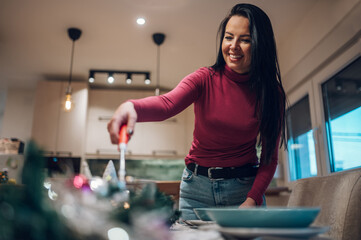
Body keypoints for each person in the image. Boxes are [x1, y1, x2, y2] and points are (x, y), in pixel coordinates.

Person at [107, 3, 286, 220]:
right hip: (196, 191)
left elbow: (269, 158)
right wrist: (131, 106)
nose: (233, 46)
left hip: (244, 191)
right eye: (229, 37)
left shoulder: (271, 93)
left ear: (261, 44)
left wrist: (252, 199)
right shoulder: (204, 79)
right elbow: (166, 104)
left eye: (245, 40)